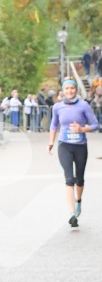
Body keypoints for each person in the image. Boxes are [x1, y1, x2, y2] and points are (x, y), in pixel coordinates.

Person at [48, 77, 98, 228]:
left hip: (80, 146)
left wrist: (82, 129)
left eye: (72, 88)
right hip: (64, 145)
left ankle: (78, 201)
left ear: (75, 90)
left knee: (79, 180)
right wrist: (51, 141)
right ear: (63, 91)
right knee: (69, 179)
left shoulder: (83, 106)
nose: (69, 91)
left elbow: (95, 124)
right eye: (66, 89)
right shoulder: (57, 107)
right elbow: (54, 124)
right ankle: (72, 214)